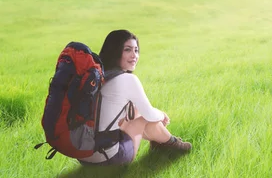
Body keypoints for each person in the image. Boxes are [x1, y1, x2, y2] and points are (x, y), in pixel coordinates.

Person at [78, 29, 192, 166]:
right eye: (127, 50)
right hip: (110, 160)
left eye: (136, 50)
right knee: (144, 119)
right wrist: (161, 114)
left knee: (136, 113)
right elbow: (149, 115)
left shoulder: (97, 77)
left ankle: (162, 143)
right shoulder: (127, 79)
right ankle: (173, 144)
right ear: (115, 51)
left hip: (84, 156)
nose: (134, 55)